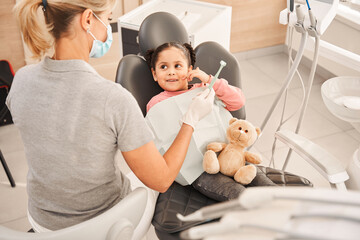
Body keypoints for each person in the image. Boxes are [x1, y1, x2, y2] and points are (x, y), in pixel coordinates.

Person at [7, 0, 215, 236]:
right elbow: (161, 179)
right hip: (102, 225)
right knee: (159, 186)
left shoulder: (21, 80)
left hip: (42, 222)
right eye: (107, 19)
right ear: (87, 19)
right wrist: (190, 120)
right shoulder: (112, 98)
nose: (108, 28)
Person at [145, 42, 245, 113]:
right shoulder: (156, 103)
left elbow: (238, 102)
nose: (171, 72)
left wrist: (209, 80)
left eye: (178, 66)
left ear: (189, 70)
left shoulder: (205, 90)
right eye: (163, 67)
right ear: (155, 74)